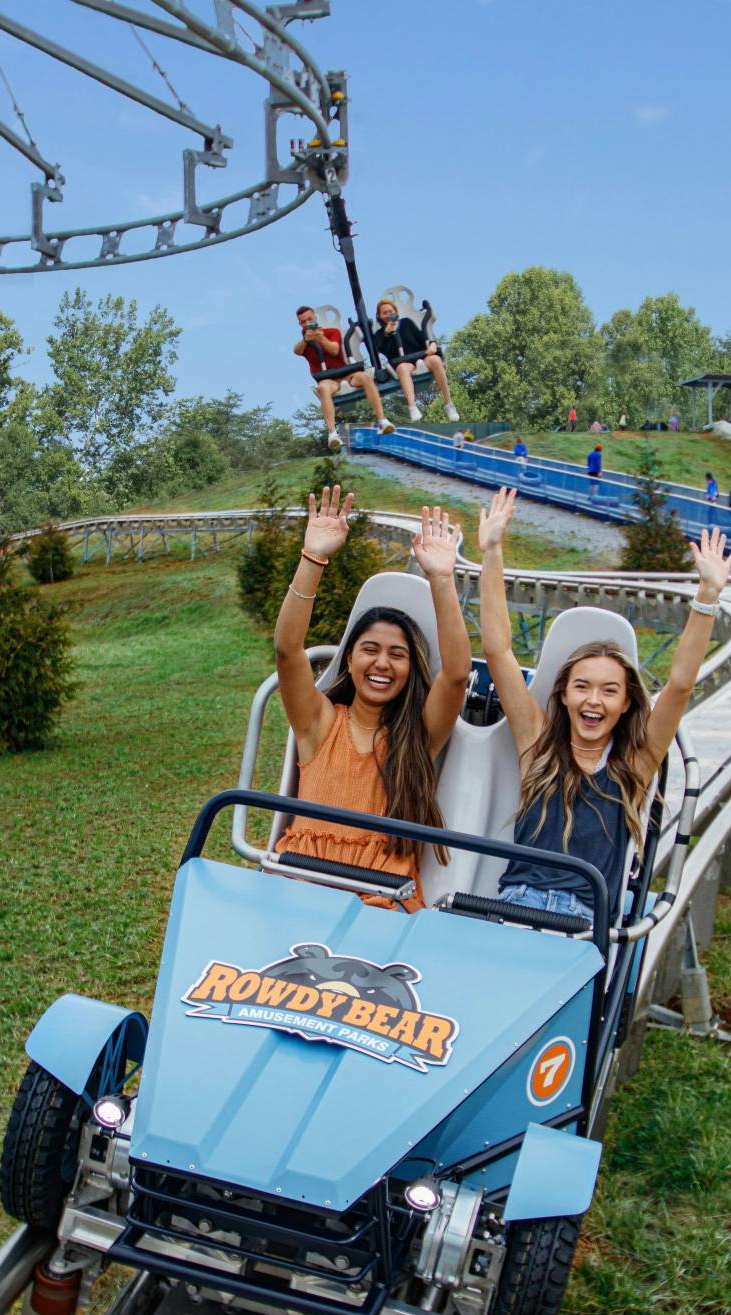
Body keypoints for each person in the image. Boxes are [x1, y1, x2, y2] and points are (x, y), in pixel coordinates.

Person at [477, 487, 731, 921]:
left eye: (609, 690)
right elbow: (499, 651)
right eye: (582, 686)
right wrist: (492, 551)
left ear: (626, 703)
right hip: (514, 904)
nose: (593, 700)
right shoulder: (538, 748)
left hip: (582, 921)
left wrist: (707, 595)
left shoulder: (633, 765)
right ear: (563, 694)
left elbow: (678, 686)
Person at [273, 485, 471, 911]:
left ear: (411, 670)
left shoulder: (418, 735)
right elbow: (289, 650)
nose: (382, 663)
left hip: (378, 896)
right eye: (370, 650)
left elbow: (456, 674)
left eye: (397, 655)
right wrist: (313, 559)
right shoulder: (319, 723)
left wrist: (440, 578)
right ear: (348, 661)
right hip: (302, 883)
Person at [294, 305, 395, 452]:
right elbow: (296, 351)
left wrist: (320, 337)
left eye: (309, 319)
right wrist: (306, 339)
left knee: (365, 377)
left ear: (315, 318)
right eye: (303, 322)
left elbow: (334, 350)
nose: (307, 323)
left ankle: (382, 420)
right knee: (323, 388)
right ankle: (332, 433)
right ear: (300, 324)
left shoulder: (332, 332)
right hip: (328, 380)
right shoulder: (304, 343)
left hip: (347, 375)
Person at [372, 298, 460, 423]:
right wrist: (387, 333)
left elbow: (423, 337)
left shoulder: (406, 323)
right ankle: (412, 407)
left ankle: (449, 404)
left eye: (390, 311)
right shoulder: (380, 335)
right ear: (379, 316)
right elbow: (381, 348)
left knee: (435, 360)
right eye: (384, 313)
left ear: (395, 312)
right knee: (403, 368)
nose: (388, 315)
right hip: (403, 362)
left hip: (421, 356)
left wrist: (433, 344)